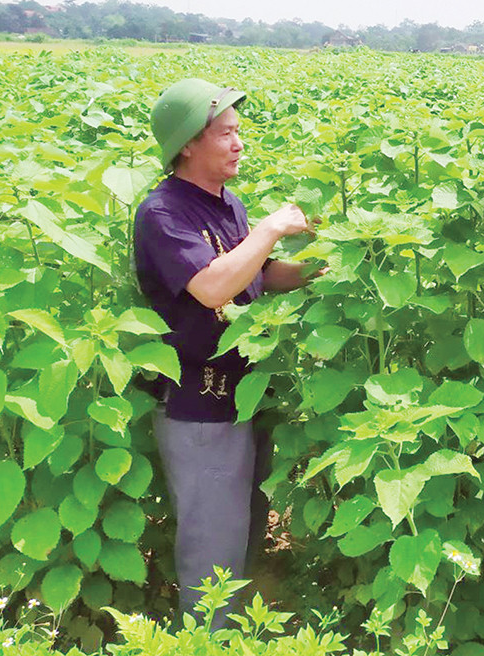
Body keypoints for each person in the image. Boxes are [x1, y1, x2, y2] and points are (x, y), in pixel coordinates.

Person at [133, 78, 313, 624]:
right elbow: (213, 286)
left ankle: (232, 632)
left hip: (245, 393)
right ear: (188, 143)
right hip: (199, 404)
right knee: (211, 546)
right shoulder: (164, 213)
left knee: (242, 531)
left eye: (239, 133)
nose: (239, 144)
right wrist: (271, 227)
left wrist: (330, 266)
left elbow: (259, 275)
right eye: (226, 134)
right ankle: (206, 638)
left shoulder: (225, 203)